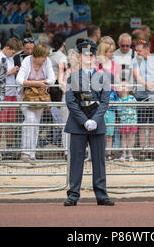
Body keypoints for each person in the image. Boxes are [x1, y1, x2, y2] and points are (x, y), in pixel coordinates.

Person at [63, 39, 114, 206]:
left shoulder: (103, 76)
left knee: (99, 161)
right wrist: (85, 121)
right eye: (86, 55)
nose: (89, 58)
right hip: (78, 124)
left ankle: (101, 194)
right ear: (79, 56)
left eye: (92, 55)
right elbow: (70, 101)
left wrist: (95, 120)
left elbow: (105, 102)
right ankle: (73, 194)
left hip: (97, 124)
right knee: (76, 161)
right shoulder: (73, 77)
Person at [16, 43, 55, 162]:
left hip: (40, 98)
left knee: (36, 124)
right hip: (26, 97)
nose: (45, 59)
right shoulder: (27, 61)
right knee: (30, 120)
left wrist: (39, 83)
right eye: (43, 57)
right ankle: (25, 151)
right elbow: (19, 80)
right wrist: (37, 83)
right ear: (37, 56)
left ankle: (31, 152)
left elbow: (52, 79)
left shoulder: (47, 61)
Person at [131, 39, 154, 160]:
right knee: (141, 124)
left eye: (140, 51)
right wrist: (147, 84)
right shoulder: (135, 60)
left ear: (147, 49)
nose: (138, 53)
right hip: (141, 95)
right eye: (137, 51)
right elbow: (136, 76)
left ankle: (151, 149)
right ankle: (142, 150)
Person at [0, 38, 22, 159]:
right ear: (7, 48)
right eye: (13, 52)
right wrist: (11, 72)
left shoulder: (10, 58)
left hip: (13, 93)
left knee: (11, 122)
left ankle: (10, 147)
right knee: (1, 122)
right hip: (3, 93)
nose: (13, 54)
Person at [48, 33, 68, 146]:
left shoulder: (50, 54)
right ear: (63, 43)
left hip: (51, 88)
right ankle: (63, 146)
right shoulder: (61, 56)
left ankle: (58, 143)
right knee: (62, 120)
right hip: (59, 88)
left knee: (56, 118)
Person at [116, 79, 137, 162]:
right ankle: (123, 154)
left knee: (131, 138)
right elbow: (118, 110)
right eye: (122, 86)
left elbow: (135, 107)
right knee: (124, 138)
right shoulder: (119, 99)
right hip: (123, 122)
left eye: (125, 86)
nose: (123, 88)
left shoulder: (132, 98)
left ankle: (130, 154)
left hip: (131, 122)